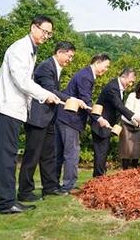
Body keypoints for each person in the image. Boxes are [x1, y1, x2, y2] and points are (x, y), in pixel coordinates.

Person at [0, 15, 62, 215]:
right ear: (33, 27)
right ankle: (6, 203)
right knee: (7, 156)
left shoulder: (30, 50)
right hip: (7, 108)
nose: (46, 36)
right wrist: (46, 95)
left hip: (9, 109)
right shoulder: (20, 48)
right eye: (44, 31)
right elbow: (21, 80)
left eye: (49, 33)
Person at [17, 41, 77, 202]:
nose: (70, 60)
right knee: (32, 156)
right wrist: (70, 99)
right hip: (37, 119)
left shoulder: (55, 68)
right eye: (69, 56)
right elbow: (50, 90)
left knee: (49, 155)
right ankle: (24, 192)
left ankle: (50, 187)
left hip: (49, 118)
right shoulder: (46, 67)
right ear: (59, 52)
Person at [55, 53, 111, 193]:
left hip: (63, 117)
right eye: (106, 66)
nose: (106, 69)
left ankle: (53, 185)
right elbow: (86, 102)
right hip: (70, 119)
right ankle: (68, 186)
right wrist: (99, 119)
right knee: (72, 153)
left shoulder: (86, 74)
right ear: (98, 62)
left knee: (60, 153)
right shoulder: (86, 76)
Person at [91, 67, 140, 177]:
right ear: (124, 77)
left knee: (103, 152)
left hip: (107, 125)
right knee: (101, 153)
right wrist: (134, 116)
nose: (131, 84)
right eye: (130, 81)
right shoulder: (113, 88)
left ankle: (99, 178)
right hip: (100, 124)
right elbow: (119, 106)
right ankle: (98, 179)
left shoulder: (118, 88)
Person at [119, 77, 140, 169]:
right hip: (127, 124)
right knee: (126, 150)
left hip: (139, 126)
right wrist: (135, 122)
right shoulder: (132, 95)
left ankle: (134, 171)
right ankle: (125, 171)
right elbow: (128, 111)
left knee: (136, 150)